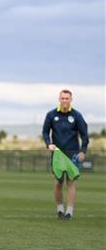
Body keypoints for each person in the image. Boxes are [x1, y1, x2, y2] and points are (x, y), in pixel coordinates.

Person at [42, 89, 89, 221]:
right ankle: (59, 210)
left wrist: (83, 151)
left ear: (71, 100)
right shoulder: (51, 115)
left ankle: (69, 212)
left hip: (73, 154)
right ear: (59, 99)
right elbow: (45, 132)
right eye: (62, 98)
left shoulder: (77, 115)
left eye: (67, 98)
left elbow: (85, 135)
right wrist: (48, 144)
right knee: (58, 182)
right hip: (57, 154)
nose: (64, 101)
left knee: (71, 182)